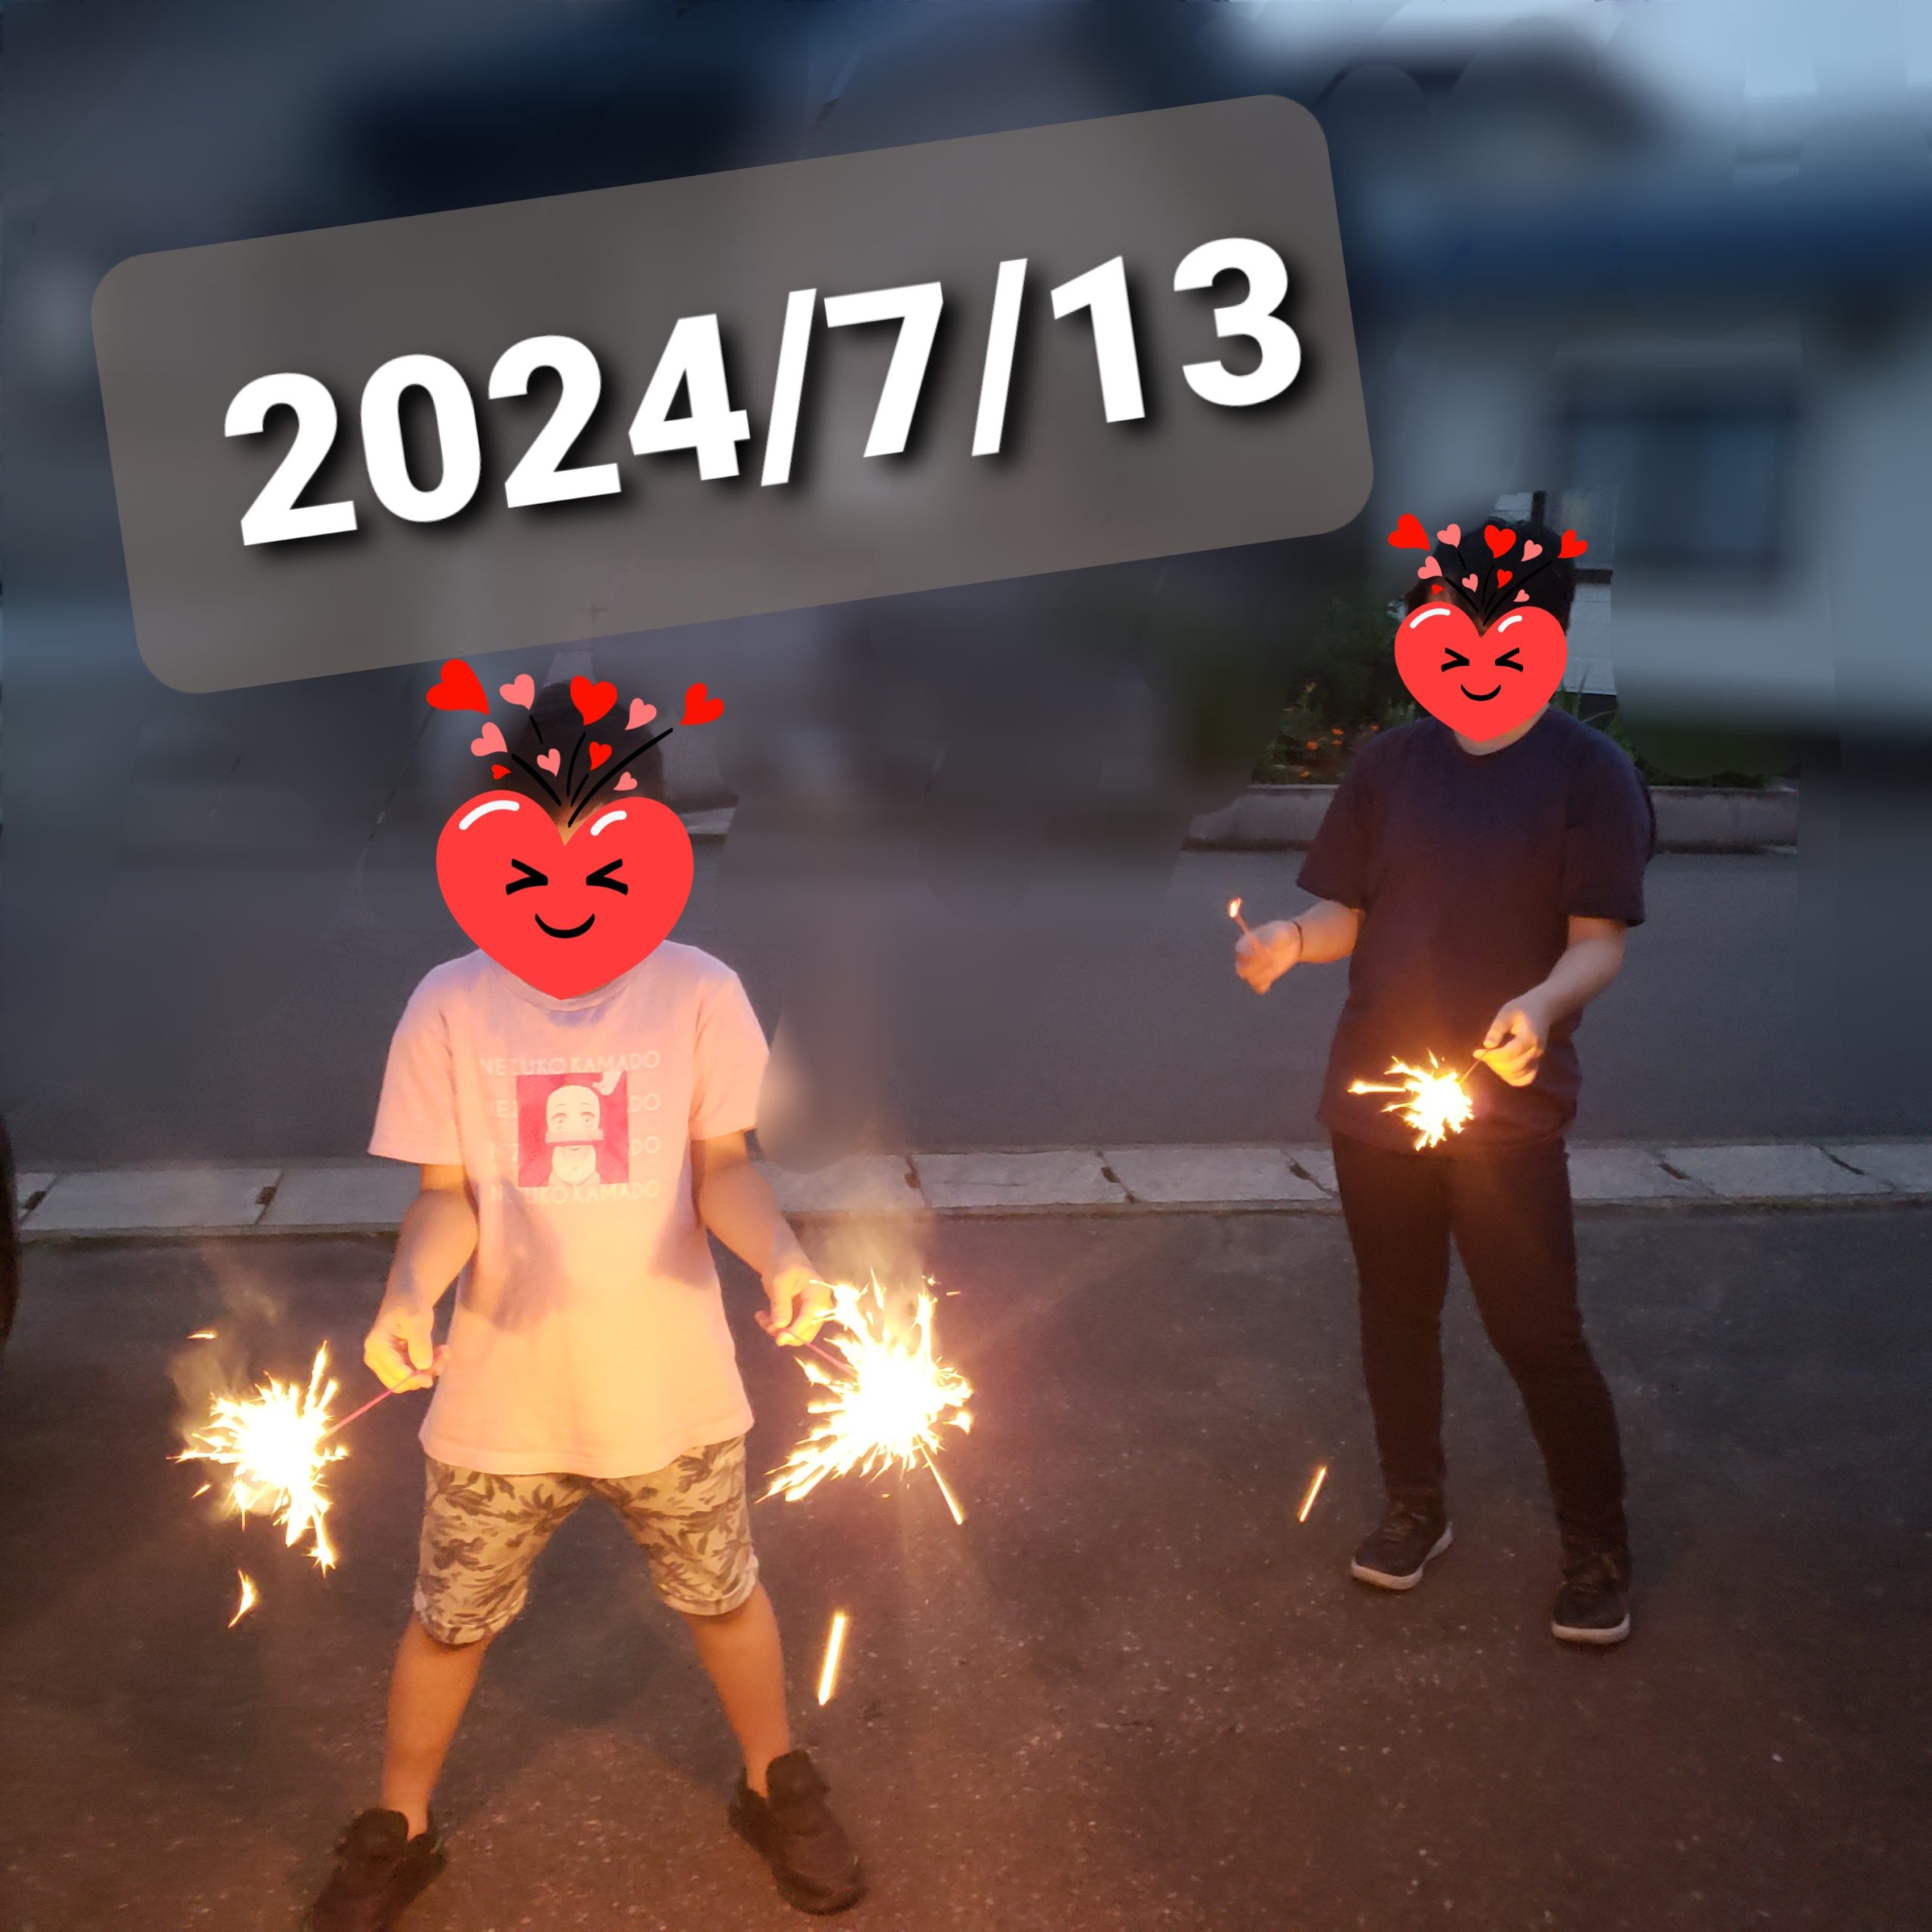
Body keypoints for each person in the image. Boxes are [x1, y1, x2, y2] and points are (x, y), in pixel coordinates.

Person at [307, 757, 865, 1926]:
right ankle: (399, 1823)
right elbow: (446, 1196)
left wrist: (785, 1257)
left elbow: (723, 1171)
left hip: (672, 1391)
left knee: (725, 1596)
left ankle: (775, 1783)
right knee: (448, 1619)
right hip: (500, 1398)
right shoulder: (451, 1003)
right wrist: (408, 1294)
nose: (567, 892)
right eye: (533, 862)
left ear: (652, 846)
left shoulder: (699, 991)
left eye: (602, 858)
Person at [1235, 515, 1654, 1646]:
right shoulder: (1389, 765)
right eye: (1447, 632)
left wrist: (1542, 1005)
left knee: (1537, 1331)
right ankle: (1415, 1505)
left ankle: (1596, 1544)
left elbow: (1599, 942)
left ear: (1549, 638)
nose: (1472, 659)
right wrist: (1290, 940)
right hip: (1377, 1102)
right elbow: (1346, 912)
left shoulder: (1590, 773)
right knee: (1396, 1314)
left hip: (1507, 1110)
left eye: (1501, 638)